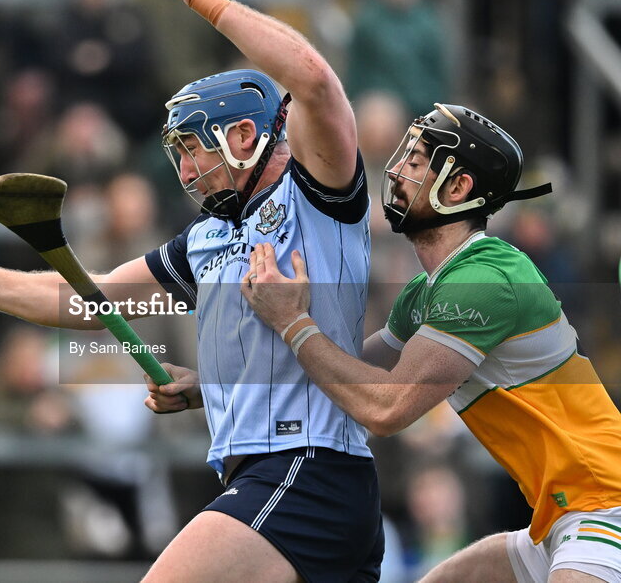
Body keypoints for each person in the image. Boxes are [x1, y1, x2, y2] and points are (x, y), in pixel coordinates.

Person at [0, 0, 379, 582]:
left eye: (196, 146)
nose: (185, 168)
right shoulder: (206, 239)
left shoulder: (316, 198)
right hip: (275, 478)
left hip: (304, 471)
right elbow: (90, 301)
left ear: (243, 135)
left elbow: (314, 82)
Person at [241, 102, 621, 583]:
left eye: (415, 163)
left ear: (458, 188)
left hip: (606, 507)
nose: (396, 172)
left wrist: (293, 323)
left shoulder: (482, 281)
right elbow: (343, 371)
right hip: (560, 520)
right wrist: (206, 384)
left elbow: (385, 409)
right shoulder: (428, 291)